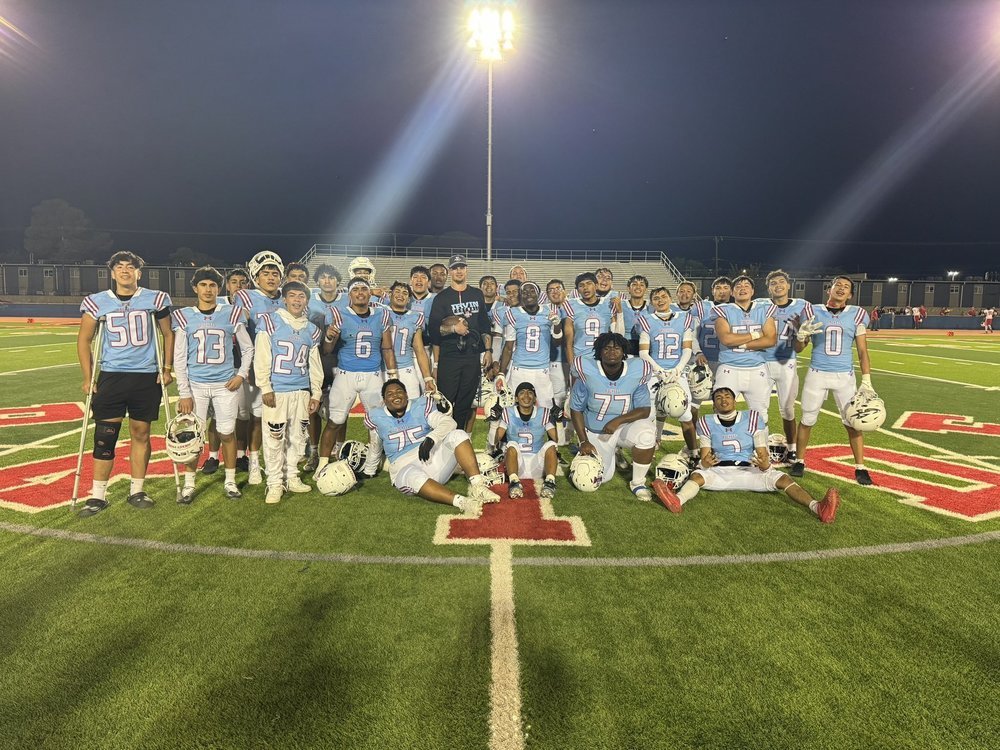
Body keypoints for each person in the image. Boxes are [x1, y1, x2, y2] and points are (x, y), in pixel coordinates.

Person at [76, 250, 173, 515]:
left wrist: (166, 368)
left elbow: (167, 333)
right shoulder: (97, 302)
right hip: (112, 375)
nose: (125, 271)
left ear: (139, 272)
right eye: (119, 267)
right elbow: (84, 339)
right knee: (105, 435)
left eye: (130, 267)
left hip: (145, 375)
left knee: (141, 433)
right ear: (112, 272)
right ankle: (97, 496)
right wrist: (88, 377)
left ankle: (137, 490)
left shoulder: (155, 299)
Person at [652, 387, 840, 523]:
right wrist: (706, 463)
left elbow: (762, 454)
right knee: (697, 475)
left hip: (751, 470)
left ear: (735, 401)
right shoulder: (706, 421)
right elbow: (705, 457)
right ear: (714, 404)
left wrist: (765, 465)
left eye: (727, 396)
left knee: (784, 479)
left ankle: (818, 507)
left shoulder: (752, 418)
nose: (723, 400)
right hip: (719, 472)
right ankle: (677, 500)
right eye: (718, 397)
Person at [171, 266, 253, 501]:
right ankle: (189, 483)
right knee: (192, 436)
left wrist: (241, 374)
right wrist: (184, 392)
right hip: (196, 386)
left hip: (224, 385)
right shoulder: (184, 316)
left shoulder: (231, 313)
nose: (208, 289)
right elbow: (179, 357)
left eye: (213, 285)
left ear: (219, 288)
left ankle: (230, 481)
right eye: (204, 285)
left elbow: (248, 348)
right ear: (195, 288)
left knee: (227, 433)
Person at [364, 379, 501, 511]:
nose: (395, 396)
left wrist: (431, 438)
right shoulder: (376, 416)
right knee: (413, 476)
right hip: (403, 467)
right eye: (390, 394)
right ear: (384, 400)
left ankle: (478, 487)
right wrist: (369, 470)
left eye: (399, 391)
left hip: (432, 459)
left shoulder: (420, 406)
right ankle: (463, 502)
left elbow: (449, 422)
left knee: (458, 434)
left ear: (406, 394)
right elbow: (375, 446)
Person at [792, 276, 875, 485]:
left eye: (846, 287)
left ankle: (860, 467)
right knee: (807, 419)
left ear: (850, 295)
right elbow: (799, 349)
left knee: (853, 422)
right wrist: (801, 336)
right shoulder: (812, 311)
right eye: (838, 285)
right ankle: (799, 461)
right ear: (829, 289)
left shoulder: (857, 314)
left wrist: (866, 379)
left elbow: (862, 351)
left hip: (844, 376)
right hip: (817, 373)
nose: (841, 288)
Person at [317, 277, 397, 477]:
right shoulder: (339, 314)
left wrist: (393, 375)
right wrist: (329, 336)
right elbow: (327, 350)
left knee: (376, 423)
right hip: (346, 374)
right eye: (356, 289)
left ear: (370, 293)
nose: (360, 292)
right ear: (349, 295)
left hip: (373, 375)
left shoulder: (382, 314)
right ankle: (322, 463)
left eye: (364, 289)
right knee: (335, 421)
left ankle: (373, 462)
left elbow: (387, 348)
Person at [252, 281, 323, 504]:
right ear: (284, 299)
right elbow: (262, 356)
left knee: (298, 437)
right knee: (274, 438)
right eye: (292, 295)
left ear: (307, 301)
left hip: (301, 390)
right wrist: (265, 387)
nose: (296, 300)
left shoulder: (312, 330)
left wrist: (316, 393)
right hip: (277, 391)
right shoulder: (270, 322)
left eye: (301, 296)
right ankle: (274, 482)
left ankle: (291, 476)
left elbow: (314, 364)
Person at [570, 332, 657, 501]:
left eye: (617, 348)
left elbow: (644, 409)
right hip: (597, 430)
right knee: (599, 478)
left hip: (624, 426)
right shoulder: (587, 371)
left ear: (624, 352)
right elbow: (576, 409)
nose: (612, 352)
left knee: (646, 434)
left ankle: (638, 483)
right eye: (607, 348)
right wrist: (583, 441)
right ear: (599, 351)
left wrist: (618, 420)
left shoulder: (637, 370)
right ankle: (611, 453)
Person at [232, 249, 285, 485]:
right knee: (256, 417)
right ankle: (254, 463)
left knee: (281, 419)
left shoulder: (288, 296)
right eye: (266, 273)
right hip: (259, 366)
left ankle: (280, 462)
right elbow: (240, 334)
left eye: (275, 273)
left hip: (285, 368)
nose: (271, 277)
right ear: (256, 276)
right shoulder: (245, 297)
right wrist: (249, 369)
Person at [427, 254, 494, 432]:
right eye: (455, 268)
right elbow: (434, 330)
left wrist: (488, 350)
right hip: (450, 356)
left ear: (466, 270)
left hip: (472, 355)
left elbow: (484, 324)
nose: (459, 271)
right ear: (450, 271)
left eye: (462, 267)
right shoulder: (441, 298)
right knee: (446, 402)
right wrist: (453, 329)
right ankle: (442, 437)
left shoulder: (476, 294)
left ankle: (458, 439)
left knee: (465, 402)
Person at [636, 286, 697, 458]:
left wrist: (678, 369)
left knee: (685, 415)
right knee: (650, 414)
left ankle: (693, 452)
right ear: (651, 302)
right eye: (656, 298)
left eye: (663, 296)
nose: (660, 300)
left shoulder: (684, 318)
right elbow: (643, 352)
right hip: (655, 373)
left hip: (677, 373)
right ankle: (650, 446)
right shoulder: (646, 320)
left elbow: (687, 349)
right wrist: (659, 371)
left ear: (670, 299)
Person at [203, 267, 252, 474]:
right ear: (227, 286)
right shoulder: (218, 306)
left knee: (242, 414)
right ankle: (213, 456)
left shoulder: (254, 306)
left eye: (243, 282)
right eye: (234, 282)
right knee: (216, 414)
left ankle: (241, 455)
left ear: (248, 286)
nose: (238, 286)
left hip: (243, 366)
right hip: (219, 369)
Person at [758, 269, 807, 464]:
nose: (777, 285)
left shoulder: (801, 306)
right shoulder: (760, 305)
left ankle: (792, 448)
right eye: (773, 283)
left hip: (787, 362)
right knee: (760, 409)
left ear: (788, 285)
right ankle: (760, 448)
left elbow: (800, 347)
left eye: (781, 282)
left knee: (787, 409)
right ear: (768, 288)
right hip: (761, 362)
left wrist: (802, 336)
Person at [711, 275, 777, 416]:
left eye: (746, 286)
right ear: (732, 292)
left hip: (757, 368)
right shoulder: (723, 310)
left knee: (761, 415)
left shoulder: (764, 309)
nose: (742, 288)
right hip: (729, 368)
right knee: (722, 412)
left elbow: (770, 340)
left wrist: (741, 345)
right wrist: (756, 335)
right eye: (738, 286)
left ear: (752, 291)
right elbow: (726, 339)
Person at [302, 263, 342, 472]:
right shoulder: (309, 301)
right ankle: (313, 451)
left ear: (338, 281)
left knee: (340, 408)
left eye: (331, 277)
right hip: (314, 359)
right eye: (323, 277)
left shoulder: (346, 299)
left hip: (339, 359)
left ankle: (339, 449)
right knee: (314, 409)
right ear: (317, 281)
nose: (327, 281)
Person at [497, 281, 562, 409]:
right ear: (520, 295)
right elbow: (509, 347)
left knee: (546, 408)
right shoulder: (513, 313)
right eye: (524, 292)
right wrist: (501, 373)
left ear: (538, 294)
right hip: (519, 369)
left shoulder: (550, 311)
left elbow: (557, 342)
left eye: (532, 291)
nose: (528, 294)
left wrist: (557, 325)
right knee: (511, 407)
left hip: (542, 369)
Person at [496, 382, 559, 499]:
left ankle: (550, 482)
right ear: (516, 398)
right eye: (522, 392)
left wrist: (557, 421)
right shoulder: (508, 412)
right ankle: (514, 482)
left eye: (530, 392)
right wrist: (494, 422)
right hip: (516, 464)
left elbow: (555, 439)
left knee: (550, 444)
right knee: (512, 444)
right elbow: (495, 440)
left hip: (538, 465)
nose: (526, 395)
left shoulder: (544, 413)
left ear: (535, 398)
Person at [385, 281, 436, 397]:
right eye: (397, 292)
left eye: (405, 293)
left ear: (408, 299)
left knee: (413, 402)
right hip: (384, 368)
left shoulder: (415, 317)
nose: (400, 295)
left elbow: (419, 350)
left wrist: (427, 378)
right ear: (390, 295)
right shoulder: (380, 312)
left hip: (406, 368)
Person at [692, 276, 732, 377]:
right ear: (712, 291)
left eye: (726, 288)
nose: (722, 291)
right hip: (704, 359)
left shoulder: (736, 310)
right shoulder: (702, 307)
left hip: (728, 360)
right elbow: (693, 334)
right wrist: (698, 352)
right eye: (718, 288)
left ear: (731, 291)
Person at [621, 274, 650, 355]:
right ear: (628, 289)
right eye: (634, 284)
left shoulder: (651, 307)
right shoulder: (620, 305)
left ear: (646, 289)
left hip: (647, 345)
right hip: (624, 344)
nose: (638, 287)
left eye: (642, 285)